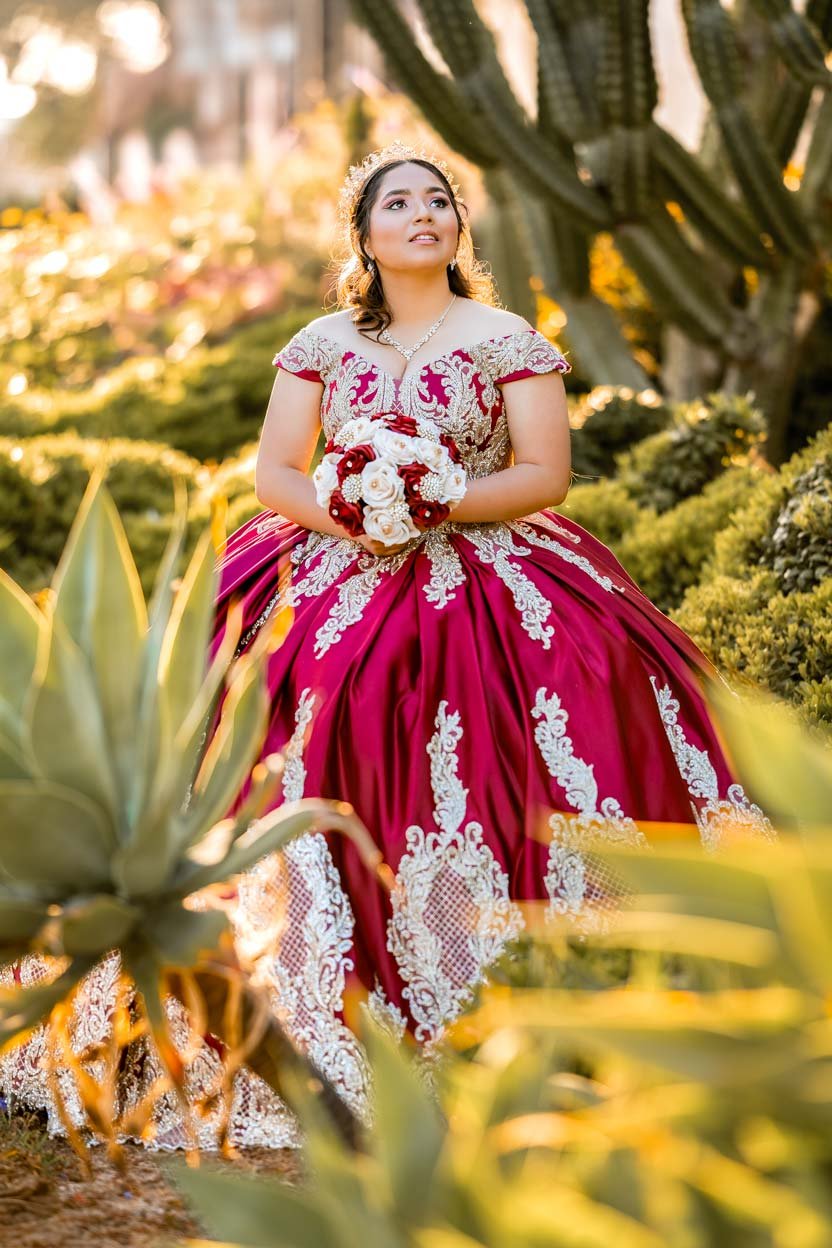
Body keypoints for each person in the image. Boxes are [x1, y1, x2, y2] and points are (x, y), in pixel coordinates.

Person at [0, 141, 773, 1150]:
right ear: (362, 235)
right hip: (330, 559)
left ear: (458, 229)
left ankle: (556, 990)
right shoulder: (321, 343)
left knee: (555, 723)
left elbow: (543, 473)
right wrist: (354, 516)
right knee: (285, 723)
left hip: (492, 566)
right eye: (397, 202)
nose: (423, 214)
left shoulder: (508, 339)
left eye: (440, 201)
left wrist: (442, 499)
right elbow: (278, 471)